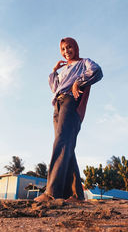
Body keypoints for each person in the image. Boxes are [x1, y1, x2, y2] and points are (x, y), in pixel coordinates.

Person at [34, 37, 103, 202]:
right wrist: (54, 71)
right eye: (63, 49)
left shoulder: (84, 62)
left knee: (62, 142)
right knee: (66, 145)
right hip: (57, 105)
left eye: (69, 47)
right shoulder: (64, 69)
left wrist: (78, 81)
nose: (66, 52)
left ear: (76, 47)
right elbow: (54, 87)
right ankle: (76, 195)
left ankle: (52, 192)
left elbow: (97, 71)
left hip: (71, 102)